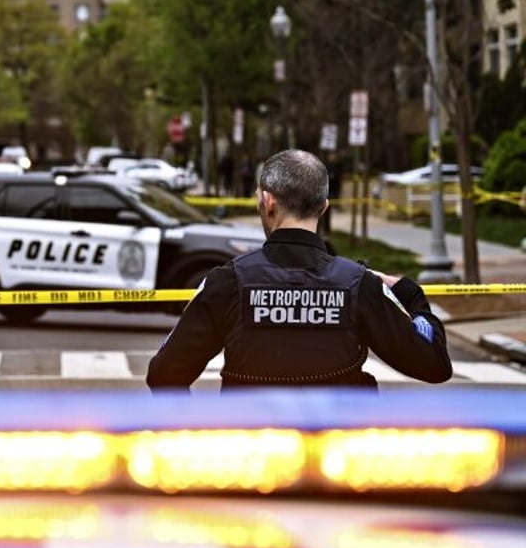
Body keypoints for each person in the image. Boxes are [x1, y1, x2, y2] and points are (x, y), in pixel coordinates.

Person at [146, 149, 452, 392]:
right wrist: (410, 295)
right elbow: (434, 365)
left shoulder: (226, 283)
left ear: (267, 202)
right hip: (335, 458)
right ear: (324, 208)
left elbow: (163, 373)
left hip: (250, 457)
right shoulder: (360, 285)